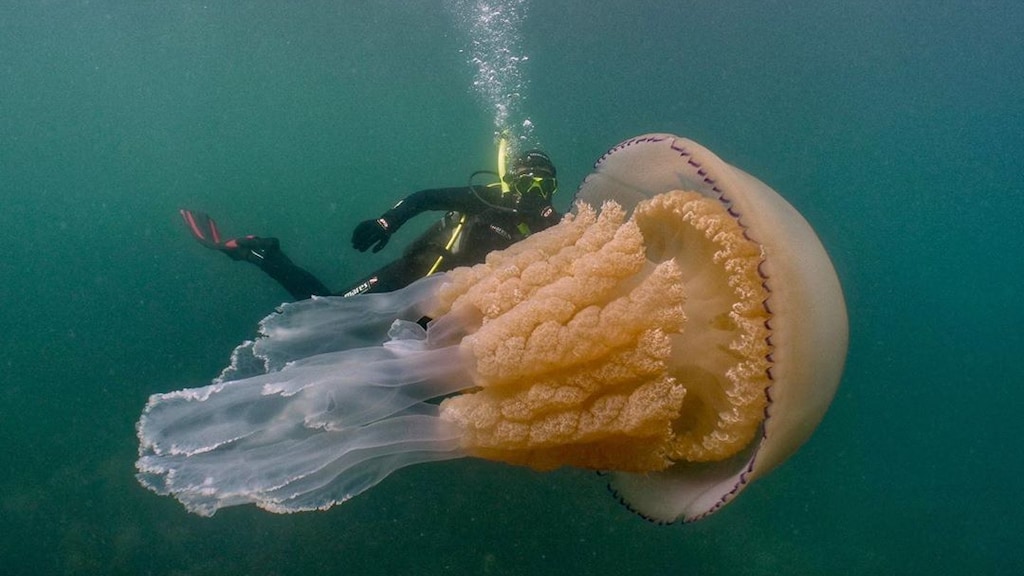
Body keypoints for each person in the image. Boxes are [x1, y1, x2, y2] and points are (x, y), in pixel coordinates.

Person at [181, 147, 562, 301]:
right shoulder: (490, 198)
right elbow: (425, 198)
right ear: (513, 181)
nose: (535, 193)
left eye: (545, 186)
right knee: (328, 310)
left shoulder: (553, 226)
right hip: (414, 272)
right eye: (528, 183)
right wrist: (386, 223)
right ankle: (264, 253)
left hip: (452, 304)